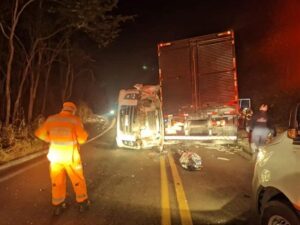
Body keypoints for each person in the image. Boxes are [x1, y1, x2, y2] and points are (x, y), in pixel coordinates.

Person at [35, 101, 90, 215]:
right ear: (73, 110)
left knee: (57, 181)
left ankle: (58, 205)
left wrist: (50, 139)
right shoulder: (75, 120)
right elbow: (82, 139)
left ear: (63, 108)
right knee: (77, 180)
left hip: (55, 157)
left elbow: (40, 133)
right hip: (71, 157)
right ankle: (82, 203)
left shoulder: (51, 119)